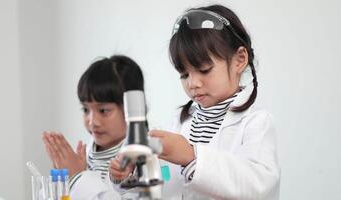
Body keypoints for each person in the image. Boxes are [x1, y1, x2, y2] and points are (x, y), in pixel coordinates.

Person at [109, 4, 280, 200]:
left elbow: (258, 186)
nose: (193, 83)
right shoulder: (179, 122)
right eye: (184, 74)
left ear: (239, 60)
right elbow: (164, 177)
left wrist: (192, 157)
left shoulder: (256, 123)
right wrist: (130, 172)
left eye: (204, 70)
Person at [42, 55, 145, 200]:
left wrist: (77, 177)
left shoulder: (144, 159)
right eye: (85, 110)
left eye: (103, 111)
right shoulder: (87, 155)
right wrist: (62, 181)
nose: (92, 122)